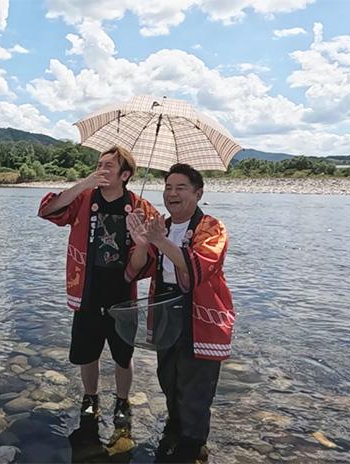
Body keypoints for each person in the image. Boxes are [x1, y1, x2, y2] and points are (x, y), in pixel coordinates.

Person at [39, 146, 158, 425]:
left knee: (123, 355)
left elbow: (144, 262)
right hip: (87, 291)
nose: (101, 169)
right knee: (86, 353)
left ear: (125, 175)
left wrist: (141, 242)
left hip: (122, 294)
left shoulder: (140, 208)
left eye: (108, 166)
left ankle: (122, 400)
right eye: (99, 164)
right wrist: (84, 183)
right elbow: (48, 209)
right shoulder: (83, 198)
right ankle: (90, 398)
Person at [125, 163, 235, 463]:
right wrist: (141, 243)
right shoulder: (158, 223)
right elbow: (136, 269)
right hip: (165, 307)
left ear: (198, 193)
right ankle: (174, 426)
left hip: (200, 313)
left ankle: (192, 444)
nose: (172, 193)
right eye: (168, 187)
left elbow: (200, 265)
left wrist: (161, 241)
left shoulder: (212, 227)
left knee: (196, 383)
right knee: (168, 375)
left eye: (181, 187)